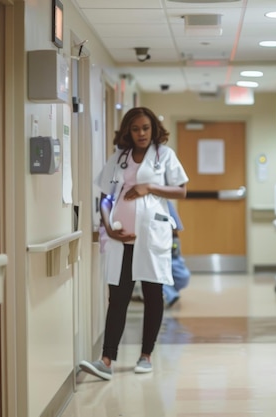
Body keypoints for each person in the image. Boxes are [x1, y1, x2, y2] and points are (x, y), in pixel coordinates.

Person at [80, 107, 188, 380]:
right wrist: (107, 226)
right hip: (121, 239)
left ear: (153, 129)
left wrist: (149, 187)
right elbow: (106, 197)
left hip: (151, 237)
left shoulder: (165, 156)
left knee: (153, 295)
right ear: (128, 130)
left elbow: (182, 190)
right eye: (136, 128)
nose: (141, 133)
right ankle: (106, 360)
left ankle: (146, 355)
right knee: (117, 298)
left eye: (146, 128)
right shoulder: (119, 157)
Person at [163, 200, 191, 308]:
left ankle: (171, 291)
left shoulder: (165, 201)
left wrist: (174, 240)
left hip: (170, 240)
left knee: (183, 276)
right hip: (152, 243)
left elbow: (175, 227)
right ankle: (170, 294)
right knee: (157, 272)